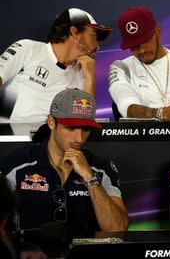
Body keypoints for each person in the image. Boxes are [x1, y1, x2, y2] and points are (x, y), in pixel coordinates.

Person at [0, 88, 128, 237]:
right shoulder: (17, 163)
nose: (79, 138)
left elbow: (116, 229)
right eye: (71, 128)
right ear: (51, 122)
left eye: (85, 129)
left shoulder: (102, 169)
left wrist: (89, 178)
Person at [0, 8, 112, 123]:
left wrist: (89, 80)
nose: (97, 46)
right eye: (93, 36)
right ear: (74, 32)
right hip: (11, 138)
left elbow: (83, 123)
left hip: (50, 140)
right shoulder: (28, 49)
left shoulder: (82, 72)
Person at [108, 7, 170, 121]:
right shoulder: (121, 68)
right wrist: (161, 113)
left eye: (145, 41)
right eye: (133, 46)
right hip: (146, 138)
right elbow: (126, 107)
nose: (141, 51)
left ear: (158, 32)